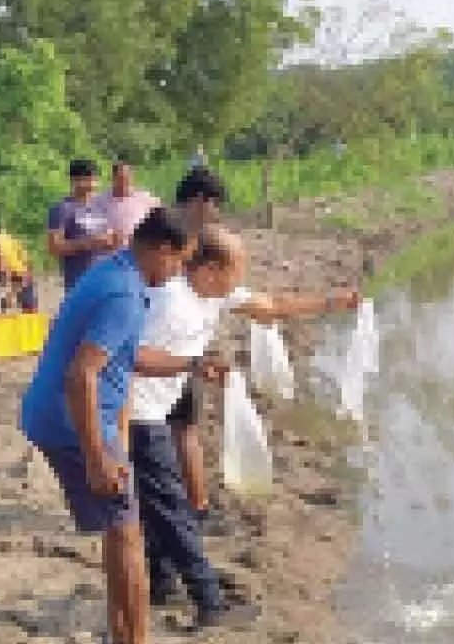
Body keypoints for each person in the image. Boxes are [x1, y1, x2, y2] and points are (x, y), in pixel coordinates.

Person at [129, 225, 359, 625]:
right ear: (212, 269)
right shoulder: (170, 302)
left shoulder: (213, 294)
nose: (241, 279)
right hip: (137, 414)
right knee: (171, 506)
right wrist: (193, 365)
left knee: (160, 504)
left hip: (159, 407)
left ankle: (161, 582)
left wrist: (331, 302)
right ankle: (210, 602)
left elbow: (270, 307)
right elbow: (133, 353)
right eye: (238, 269)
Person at [19, 206, 203, 644]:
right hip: (74, 424)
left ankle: (123, 633)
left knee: (123, 532)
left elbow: (126, 356)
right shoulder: (123, 291)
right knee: (127, 538)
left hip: (66, 416)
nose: (177, 273)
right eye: (179, 261)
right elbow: (82, 374)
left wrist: (191, 364)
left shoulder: (116, 272)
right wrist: (97, 456)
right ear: (161, 249)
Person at [168, 166, 230, 512]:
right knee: (183, 431)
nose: (217, 213)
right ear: (199, 201)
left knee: (179, 431)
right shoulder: (183, 239)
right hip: (173, 350)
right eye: (215, 205)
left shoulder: (170, 231)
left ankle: (193, 502)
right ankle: (197, 505)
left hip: (182, 348)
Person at [47, 158, 117, 291]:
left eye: (95, 179)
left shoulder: (101, 207)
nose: (93, 183)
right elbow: (54, 246)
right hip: (78, 282)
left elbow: (109, 240)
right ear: (74, 181)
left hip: (105, 280)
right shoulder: (62, 209)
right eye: (88, 179)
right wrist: (89, 243)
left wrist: (112, 242)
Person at [94, 158, 160, 247]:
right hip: (110, 249)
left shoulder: (146, 198)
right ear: (113, 178)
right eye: (121, 178)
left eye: (127, 178)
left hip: (139, 248)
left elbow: (161, 219)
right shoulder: (100, 200)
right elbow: (94, 227)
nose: (124, 182)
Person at [0, 230, 38, 313]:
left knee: (28, 306)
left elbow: (23, 269)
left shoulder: (6, 251)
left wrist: (11, 292)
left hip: (19, 272)